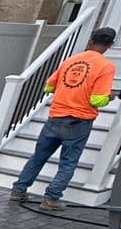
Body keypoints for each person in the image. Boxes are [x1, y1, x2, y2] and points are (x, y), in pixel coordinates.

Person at [9, 26, 117, 211]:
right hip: (79, 120)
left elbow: (49, 87)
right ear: (110, 45)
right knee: (68, 162)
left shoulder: (70, 60)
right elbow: (97, 99)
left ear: (91, 41)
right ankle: (51, 199)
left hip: (55, 117)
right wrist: (110, 96)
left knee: (39, 157)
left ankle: (18, 190)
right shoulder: (106, 66)